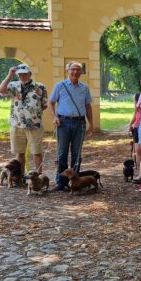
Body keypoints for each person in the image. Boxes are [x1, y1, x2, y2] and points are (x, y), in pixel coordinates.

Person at [47, 61, 94, 191]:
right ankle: (61, 183)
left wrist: (91, 124)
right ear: (67, 71)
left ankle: (75, 182)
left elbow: (88, 106)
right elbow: (50, 103)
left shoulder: (84, 88)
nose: (75, 72)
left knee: (76, 154)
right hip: (63, 123)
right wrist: (54, 116)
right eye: (72, 69)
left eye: (78, 69)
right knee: (62, 154)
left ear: (81, 72)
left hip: (80, 123)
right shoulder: (60, 86)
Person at [0, 64, 48, 173]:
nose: (22, 76)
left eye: (25, 73)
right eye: (20, 74)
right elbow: (1, 90)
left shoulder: (40, 87)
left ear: (30, 74)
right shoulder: (13, 85)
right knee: (20, 152)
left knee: (36, 152)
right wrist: (10, 75)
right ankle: (20, 176)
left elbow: (44, 105)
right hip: (17, 124)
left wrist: (32, 113)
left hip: (34, 125)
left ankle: (39, 176)